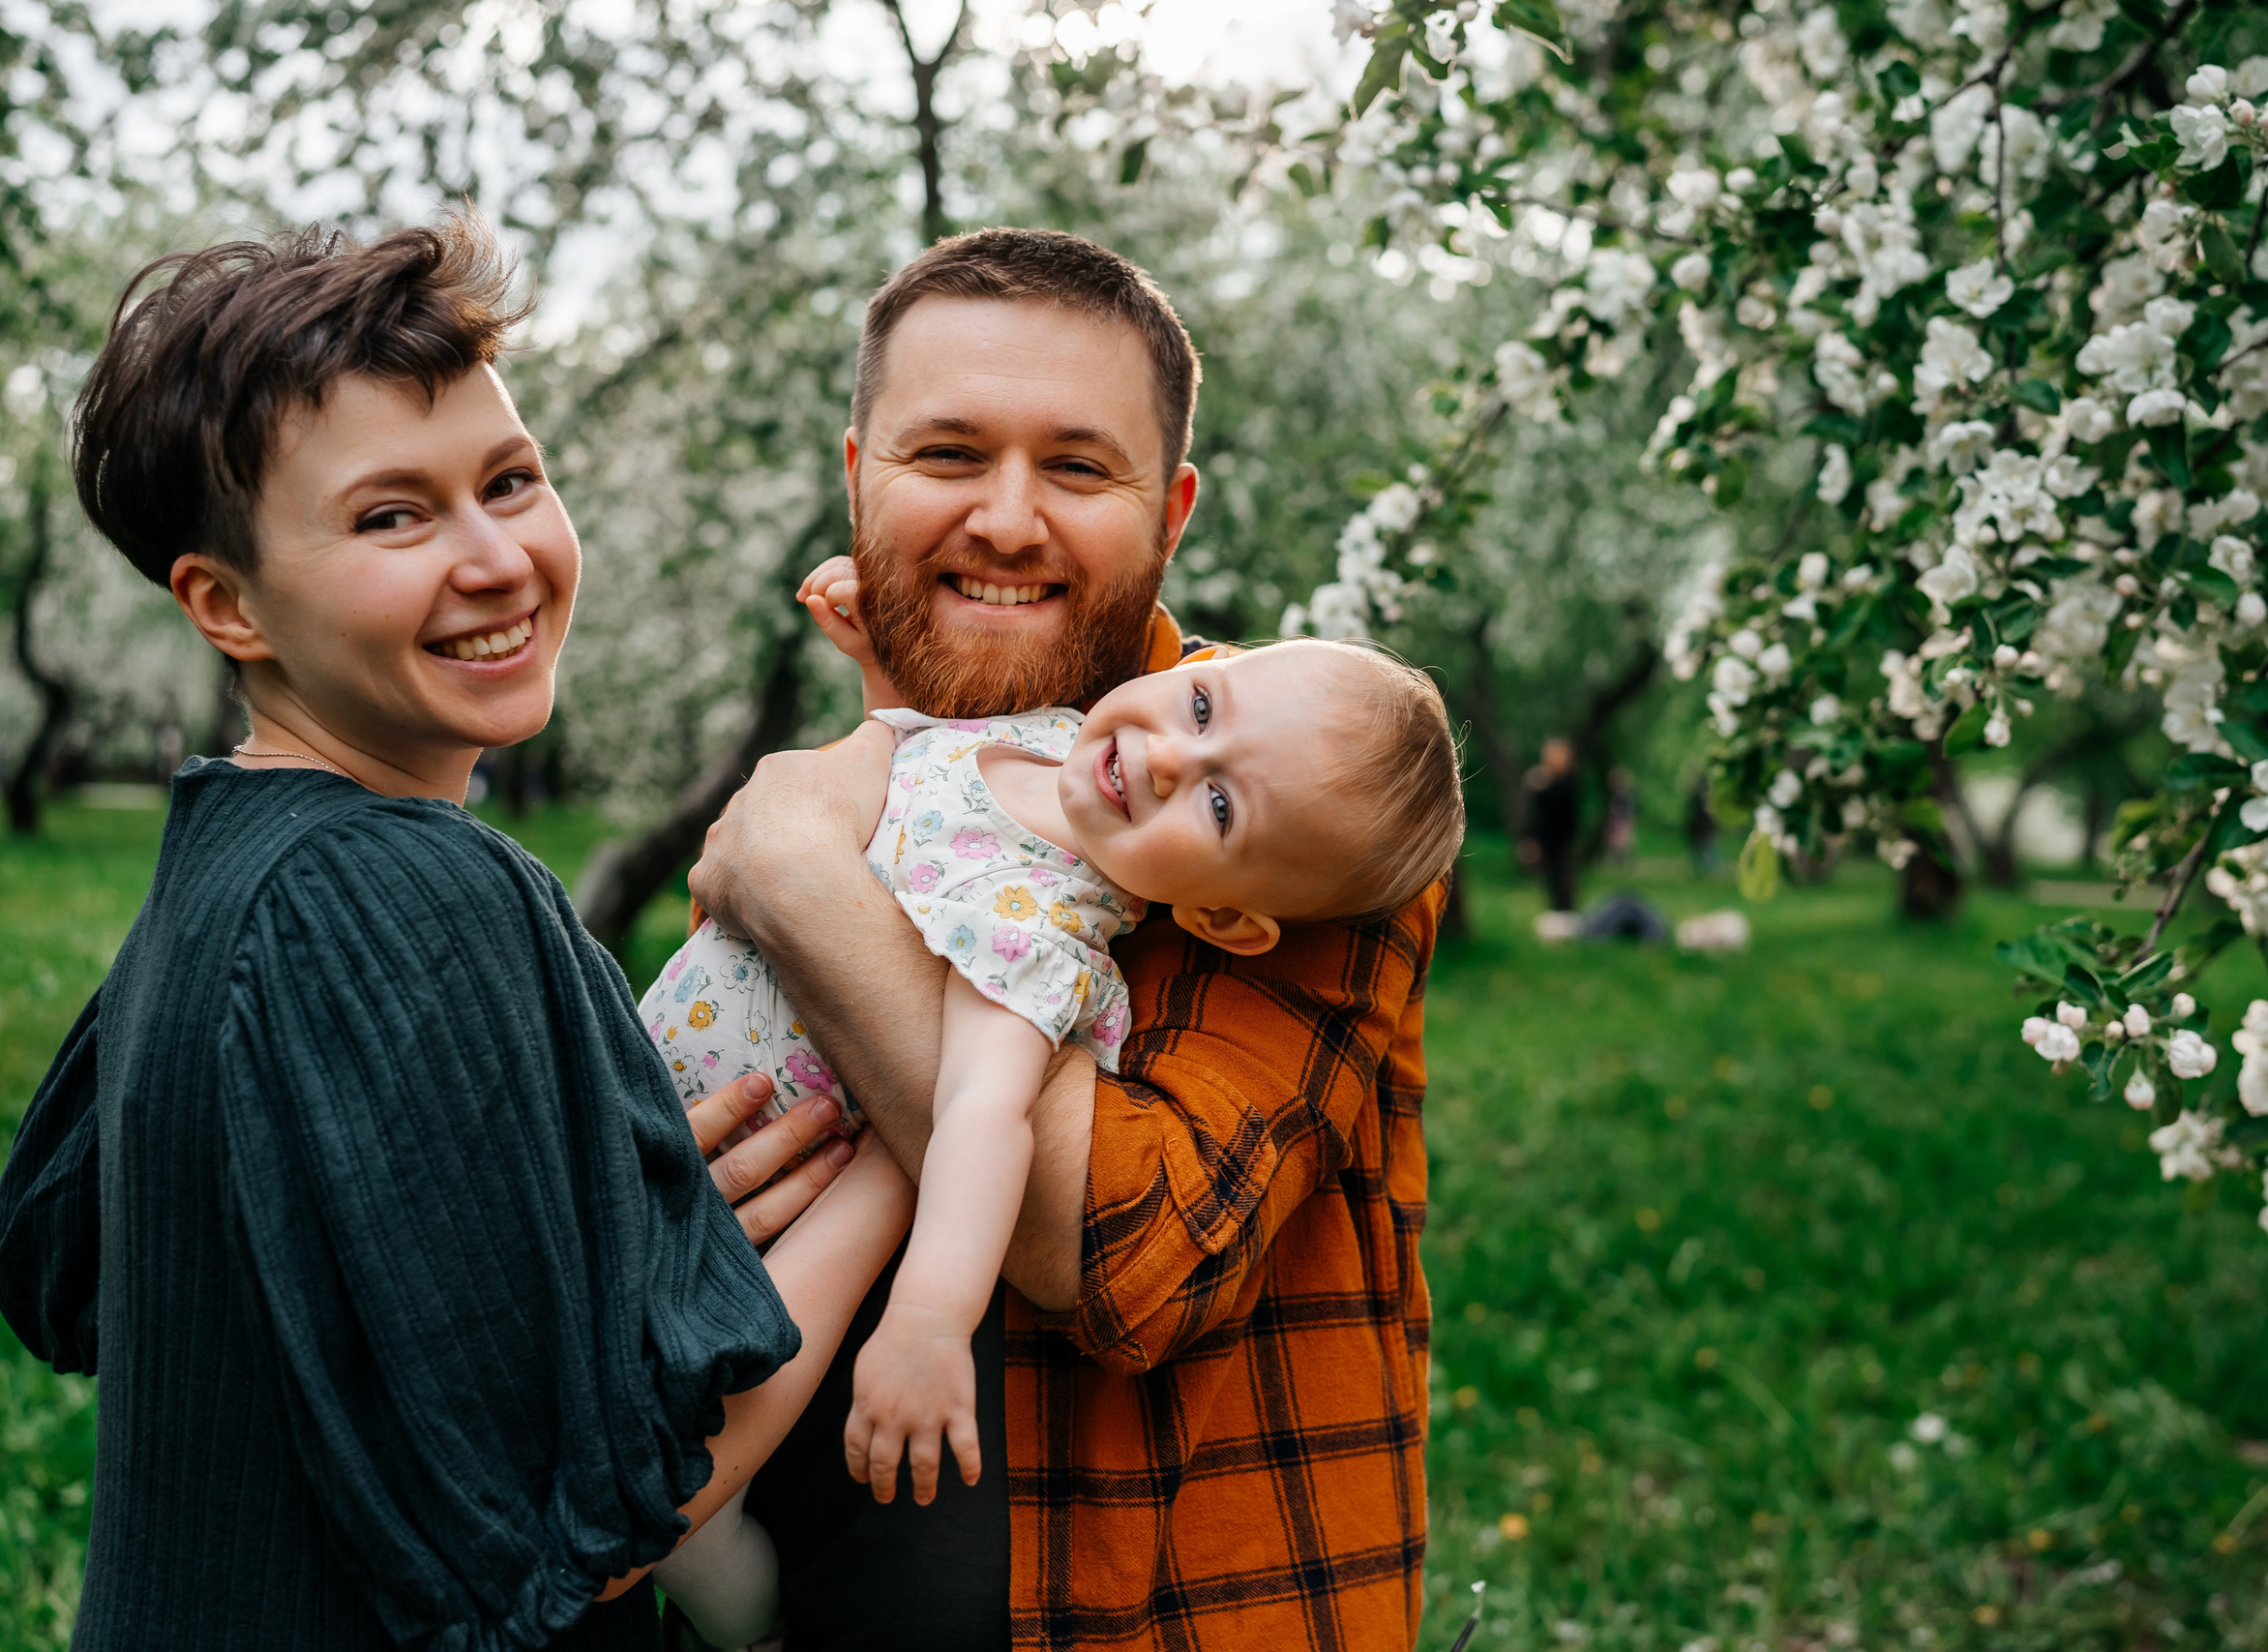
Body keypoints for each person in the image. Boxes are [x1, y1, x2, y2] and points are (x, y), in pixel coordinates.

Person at [0, 220, 915, 1651]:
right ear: (225, 603)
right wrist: (900, 1170)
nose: (497, 559)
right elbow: (599, 1523)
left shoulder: (227, 851)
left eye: (509, 480)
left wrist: (590, 1239)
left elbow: (67, 1263)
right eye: (391, 516)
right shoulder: (400, 895)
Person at [684, 228, 1449, 1651]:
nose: (1009, 520)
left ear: (1172, 510)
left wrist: (804, 879)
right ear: (860, 478)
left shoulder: (1311, 809)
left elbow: (1134, 1250)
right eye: (950, 454)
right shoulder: (882, 770)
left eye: (1080, 468)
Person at [646, 639, 1461, 1647]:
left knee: (675, 1497)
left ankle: (746, 1625)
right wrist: (879, 650)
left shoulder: (1043, 925)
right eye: (1201, 708)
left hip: (764, 1201)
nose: (1170, 759)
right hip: (644, 1109)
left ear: (1216, 913)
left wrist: (930, 1318)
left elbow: (981, 1116)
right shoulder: (1043, 734)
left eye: (1218, 807)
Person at [1519, 736, 1582, 912]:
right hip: (1547, 839)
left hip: (1564, 839)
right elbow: (1536, 814)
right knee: (1552, 881)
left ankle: (1567, 916)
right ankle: (1558, 915)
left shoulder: (1567, 782)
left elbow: (1562, 803)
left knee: (1565, 881)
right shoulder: (1542, 781)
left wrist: (1543, 785)